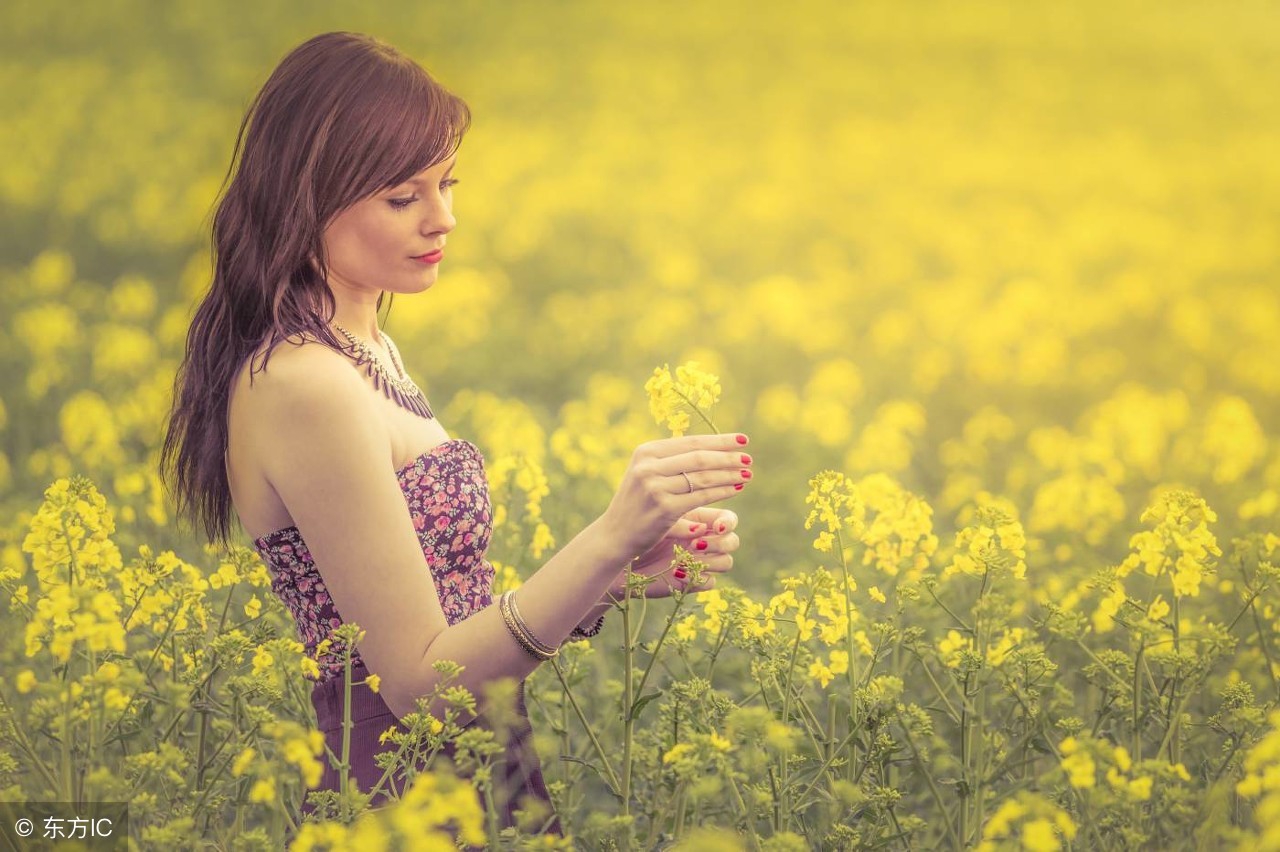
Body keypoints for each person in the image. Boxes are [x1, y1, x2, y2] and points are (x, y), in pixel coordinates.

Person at [159, 31, 751, 843]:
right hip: (400, 791)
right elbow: (418, 684)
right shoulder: (306, 386)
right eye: (404, 197)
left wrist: (613, 574)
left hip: (478, 761)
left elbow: (445, 609)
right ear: (307, 198)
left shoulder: (362, 347)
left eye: (447, 184)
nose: (445, 218)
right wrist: (609, 533)